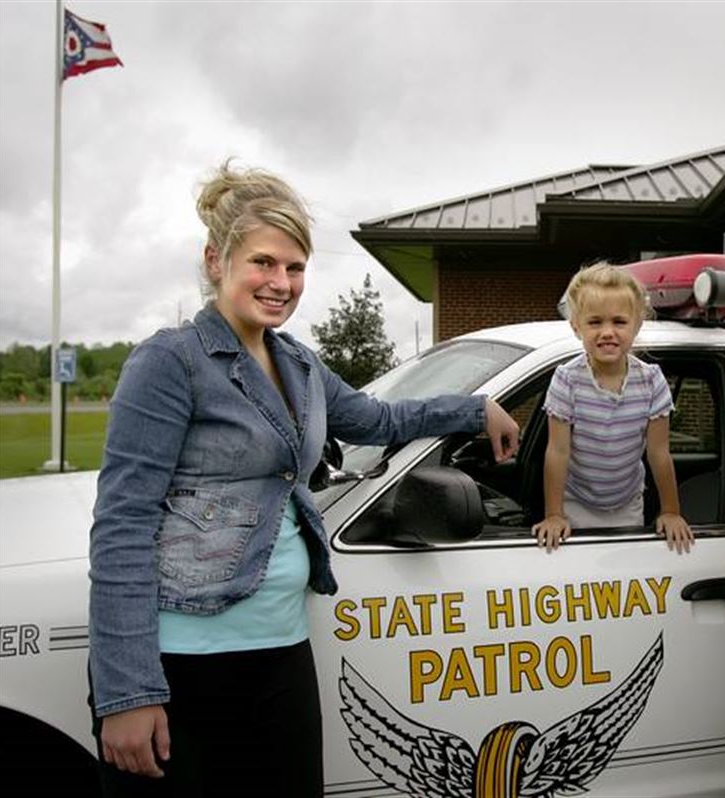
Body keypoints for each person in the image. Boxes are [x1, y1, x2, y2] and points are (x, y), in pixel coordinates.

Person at [87, 161, 519, 797]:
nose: (281, 283)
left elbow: (376, 419)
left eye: (295, 267)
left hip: (282, 650)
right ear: (216, 260)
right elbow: (123, 524)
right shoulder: (170, 362)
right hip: (185, 662)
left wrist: (474, 409)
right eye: (263, 262)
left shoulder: (298, 364)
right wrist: (127, 691)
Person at [531, 262, 693, 554]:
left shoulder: (651, 380)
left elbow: (658, 453)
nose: (607, 332)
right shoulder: (566, 379)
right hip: (574, 503)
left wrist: (671, 511)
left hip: (627, 504)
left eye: (619, 322)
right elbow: (557, 452)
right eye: (595, 322)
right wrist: (554, 514)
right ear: (576, 327)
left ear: (637, 325)